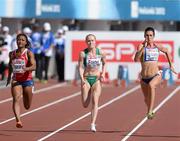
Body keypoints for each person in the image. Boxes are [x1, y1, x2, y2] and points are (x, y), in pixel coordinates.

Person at [134, 27, 177, 119]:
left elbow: (167, 51)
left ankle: (150, 111)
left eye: (151, 35)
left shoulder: (157, 46)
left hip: (156, 75)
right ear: (144, 36)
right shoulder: (141, 46)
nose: (149, 37)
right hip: (144, 77)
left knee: (151, 85)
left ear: (154, 36)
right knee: (146, 99)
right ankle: (150, 109)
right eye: (147, 35)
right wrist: (143, 48)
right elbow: (136, 59)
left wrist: (171, 66)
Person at [6, 33, 36, 128]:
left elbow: (34, 66)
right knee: (16, 99)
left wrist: (26, 69)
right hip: (16, 79)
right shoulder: (12, 53)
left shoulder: (29, 53)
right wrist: (8, 78)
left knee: (27, 106)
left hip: (27, 80)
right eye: (19, 39)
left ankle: (27, 94)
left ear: (26, 42)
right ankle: (18, 120)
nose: (20, 41)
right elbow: (10, 65)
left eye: (23, 40)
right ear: (16, 41)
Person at [78, 34, 106, 132]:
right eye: (89, 41)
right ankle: (87, 91)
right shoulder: (83, 53)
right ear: (86, 42)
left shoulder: (100, 52)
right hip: (86, 79)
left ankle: (92, 124)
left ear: (95, 41)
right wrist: (81, 78)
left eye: (92, 40)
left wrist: (103, 73)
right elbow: (81, 67)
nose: (91, 42)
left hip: (96, 79)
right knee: (85, 104)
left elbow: (105, 63)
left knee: (95, 101)